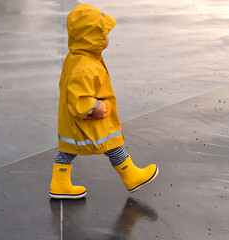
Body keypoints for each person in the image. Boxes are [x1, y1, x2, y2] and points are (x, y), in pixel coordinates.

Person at [49, 4, 159, 199]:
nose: (107, 38)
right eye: (103, 34)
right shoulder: (85, 66)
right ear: (90, 37)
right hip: (88, 118)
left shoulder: (82, 57)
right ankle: (131, 175)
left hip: (75, 121)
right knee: (111, 143)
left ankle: (60, 183)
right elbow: (79, 98)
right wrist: (96, 108)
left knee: (68, 150)